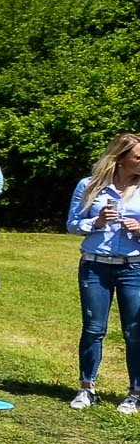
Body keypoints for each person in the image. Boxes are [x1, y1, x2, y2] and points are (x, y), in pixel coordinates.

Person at [65, 132, 140, 413]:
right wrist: (95, 222)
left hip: (134, 266)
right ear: (120, 159)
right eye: (138, 157)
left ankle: (135, 393)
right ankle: (87, 388)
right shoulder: (89, 186)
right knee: (94, 329)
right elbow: (72, 224)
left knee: (135, 331)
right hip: (95, 265)